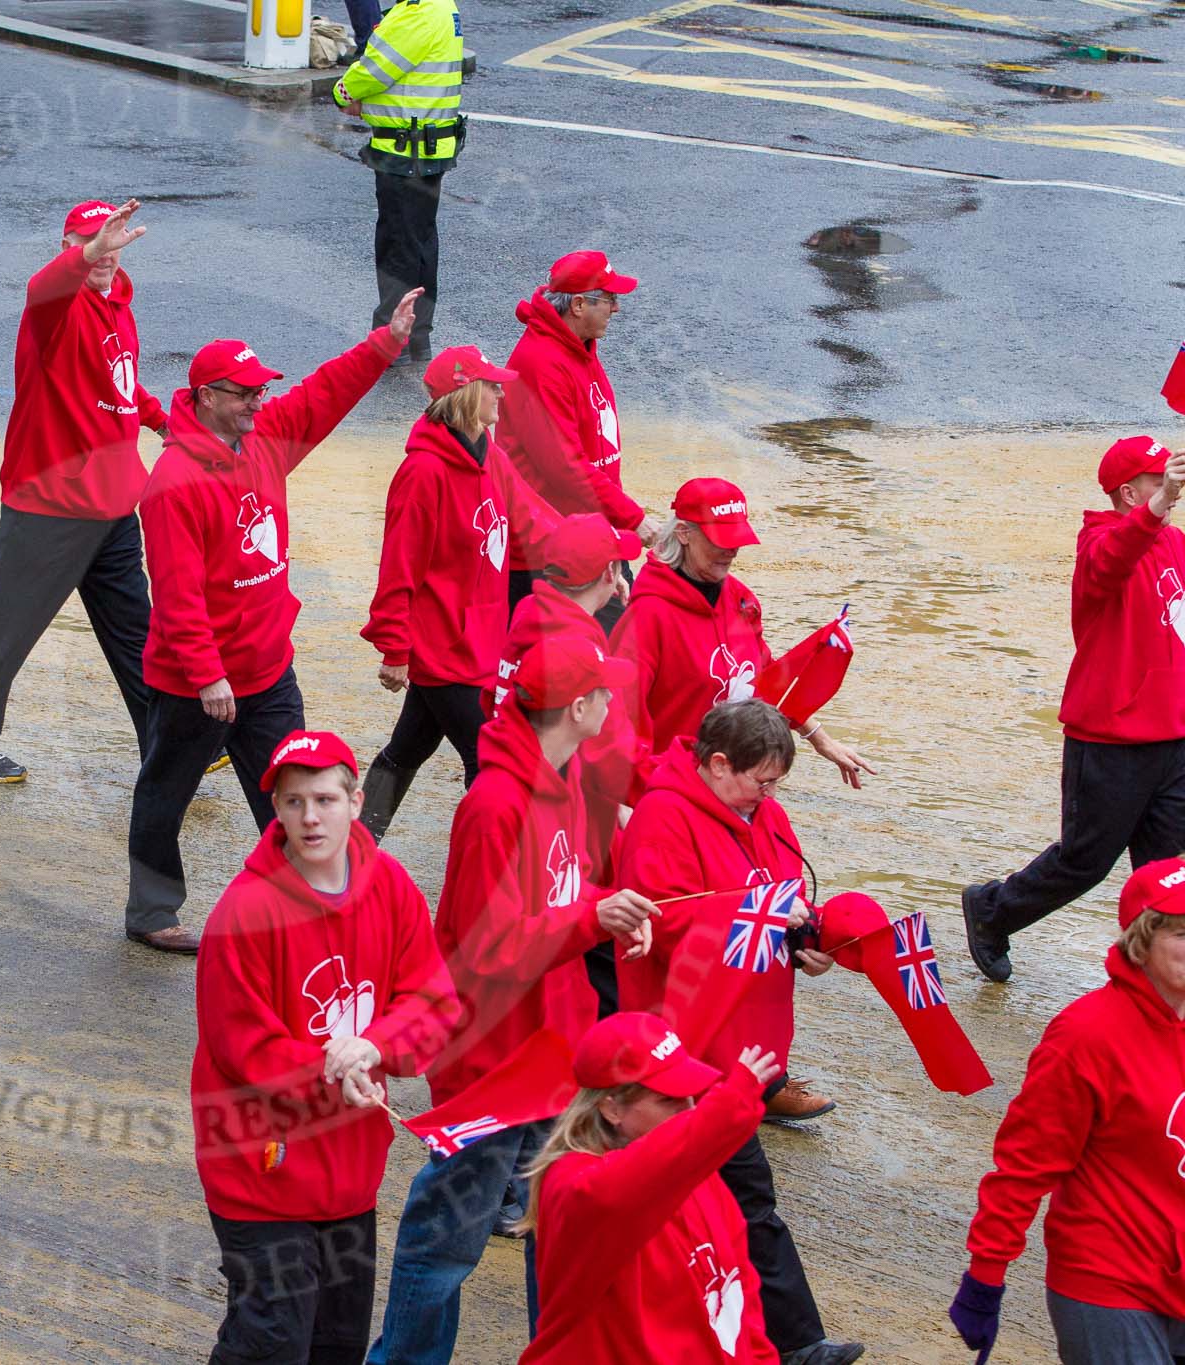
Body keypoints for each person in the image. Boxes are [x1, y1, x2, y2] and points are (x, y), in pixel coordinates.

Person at [369, 635, 659, 1365]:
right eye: (604, 693)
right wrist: (593, 918)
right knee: (445, 1243)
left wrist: (610, 904)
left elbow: (555, 897)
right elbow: (487, 948)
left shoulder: (560, 781)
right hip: (494, 1063)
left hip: (554, 1054)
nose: (612, 703)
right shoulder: (496, 803)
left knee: (552, 1233)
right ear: (580, 706)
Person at [125, 289, 420, 955]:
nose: (257, 403)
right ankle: (150, 909)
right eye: (242, 394)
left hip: (267, 670)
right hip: (197, 684)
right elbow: (176, 595)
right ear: (204, 396)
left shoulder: (263, 439)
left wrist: (386, 342)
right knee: (164, 796)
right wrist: (206, 676)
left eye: (259, 391)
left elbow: (325, 392)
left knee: (295, 795)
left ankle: (306, 910)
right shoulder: (174, 481)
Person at [193, 730, 459, 1365]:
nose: (309, 817)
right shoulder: (244, 913)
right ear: (276, 811)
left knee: (336, 1346)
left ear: (355, 799)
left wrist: (374, 1046)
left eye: (324, 799)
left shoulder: (391, 887)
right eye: (292, 803)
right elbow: (243, 1047)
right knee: (271, 1343)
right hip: (259, 1168)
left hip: (349, 1169)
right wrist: (326, 1069)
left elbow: (433, 1002)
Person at [616, 700, 864, 1365]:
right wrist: (761, 921)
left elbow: (785, 903)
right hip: (687, 1048)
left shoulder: (765, 815)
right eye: (762, 781)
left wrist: (809, 944)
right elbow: (661, 925)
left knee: (715, 1205)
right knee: (745, 1199)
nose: (770, 795)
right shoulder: (660, 820)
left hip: (746, 1042)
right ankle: (795, 1342)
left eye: (777, 782)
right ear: (717, 764)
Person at [0, 199, 167, 783]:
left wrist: (159, 419)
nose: (105, 253)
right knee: (9, 628)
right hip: (51, 506)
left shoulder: (117, 304)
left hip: (114, 503)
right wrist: (86, 255)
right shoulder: (55, 306)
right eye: (91, 243)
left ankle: (165, 739)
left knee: (136, 632)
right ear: (67, 247)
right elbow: (42, 289)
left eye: (113, 242)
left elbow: (118, 379)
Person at [962, 436, 1185, 983]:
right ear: (1131, 494)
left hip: (1173, 737)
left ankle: (1157, 976)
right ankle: (993, 910)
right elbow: (1112, 562)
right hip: (1110, 739)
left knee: (1172, 873)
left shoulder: (1175, 542)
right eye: (1160, 482)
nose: (1172, 489)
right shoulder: (1100, 544)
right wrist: (1155, 513)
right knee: (1085, 861)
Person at [949, 855, 1185, 1365]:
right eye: (1182, 933)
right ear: (1141, 940)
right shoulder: (1086, 1035)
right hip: (1109, 1282)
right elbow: (1024, 1166)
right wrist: (985, 1276)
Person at [358, 344, 558, 840]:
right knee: (490, 760)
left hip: (477, 642)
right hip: (442, 648)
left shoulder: (490, 455)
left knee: (407, 749)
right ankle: (491, 867)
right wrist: (394, 649)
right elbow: (398, 569)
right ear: (465, 394)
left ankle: (357, 846)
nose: (500, 392)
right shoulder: (423, 473)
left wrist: (603, 549)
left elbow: (534, 517)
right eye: (491, 385)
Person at [517, 1011, 782, 1363]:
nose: (688, 1110)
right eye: (668, 1099)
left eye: (692, 1094)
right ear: (611, 1108)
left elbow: (740, 1291)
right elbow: (620, 1190)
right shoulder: (573, 1184)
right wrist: (727, 1109)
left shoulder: (696, 1176)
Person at [611, 477, 872, 787]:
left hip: (734, 786)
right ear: (683, 533)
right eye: (720, 540)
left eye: (737, 540)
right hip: (671, 789)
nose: (731, 551)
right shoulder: (648, 617)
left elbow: (764, 681)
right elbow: (619, 729)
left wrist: (820, 739)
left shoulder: (740, 600)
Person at [507, 512, 648, 1013]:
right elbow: (610, 752)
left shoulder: (530, 612)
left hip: (534, 791)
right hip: (570, 810)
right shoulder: (576, 638)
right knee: (602, 952)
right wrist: (671, 788)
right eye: (620, 565)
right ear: (609, 576)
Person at [496, 251, 652, 625]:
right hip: (551, 551)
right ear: (579, 305)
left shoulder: (579, 348)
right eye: (610, 299)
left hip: (589, 533)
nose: (616, 309)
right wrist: (632, 518)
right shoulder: (542, 362)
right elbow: (566, 467)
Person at [331, 0, 463, 367]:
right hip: (427, 147)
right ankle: (416, 337)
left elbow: (374, 70)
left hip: (405, 149)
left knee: (398, 249)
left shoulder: (415, 12)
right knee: (420, 244)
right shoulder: (438, 6)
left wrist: (343, 92)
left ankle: (393, 339)